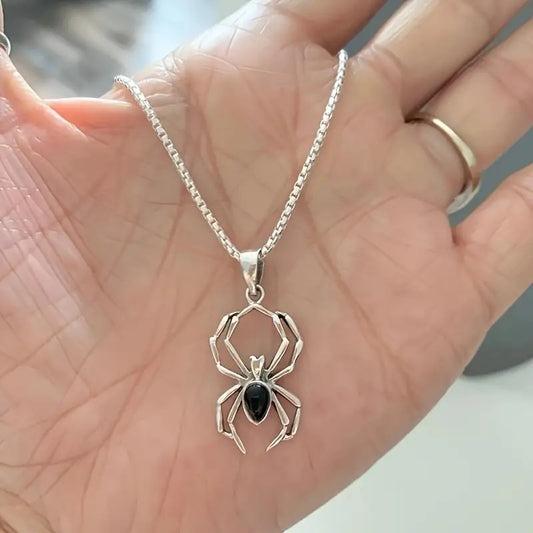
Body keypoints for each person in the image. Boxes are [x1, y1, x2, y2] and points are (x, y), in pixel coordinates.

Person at [0, 0, 530, 531]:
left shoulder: (247, 377)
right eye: (256, 371)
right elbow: (274, 349)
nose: (255, 369)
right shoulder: (265, 379)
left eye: (256, 371)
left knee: (250, 402)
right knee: (261, 403)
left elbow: (235, 348)